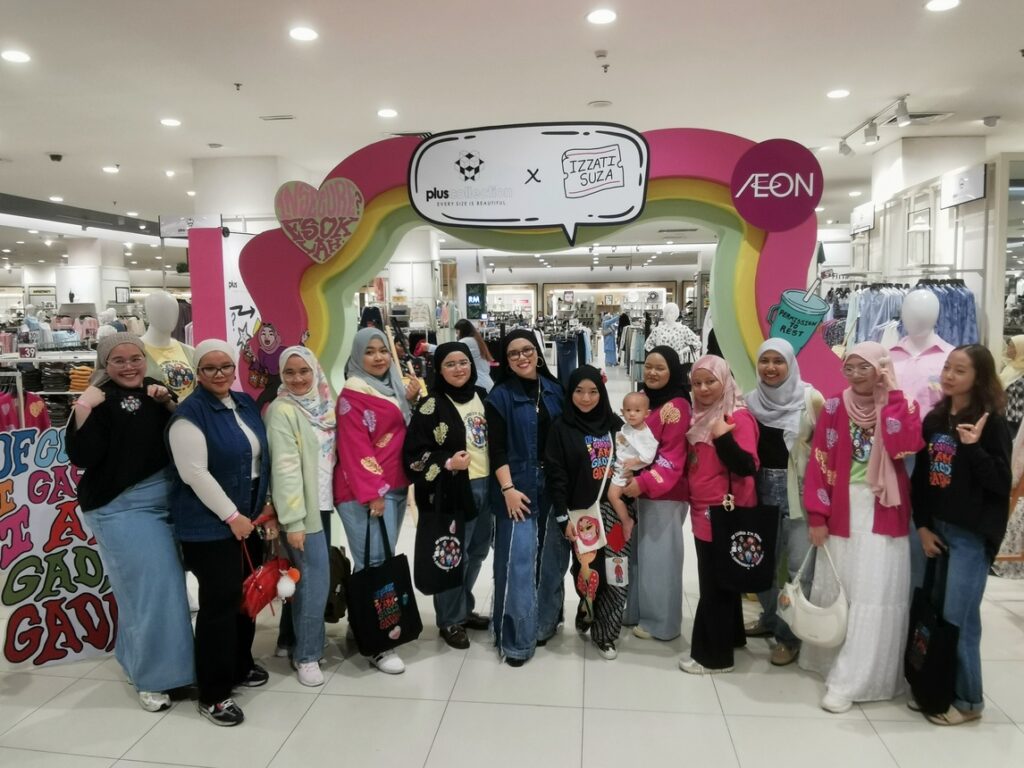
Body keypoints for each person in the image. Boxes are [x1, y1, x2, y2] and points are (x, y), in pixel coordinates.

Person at [65, 333, 193, 713]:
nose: (128, 366)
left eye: (135, 358)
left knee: (143, 591)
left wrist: (169, 402)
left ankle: (136, 659)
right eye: (118, 360)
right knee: (156, 589)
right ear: (105, 364)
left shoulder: (155, 389)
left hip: (168, 501)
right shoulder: (97, 397)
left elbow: (185, 435)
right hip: (121, 507)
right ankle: (155, 678)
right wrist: (83, 408)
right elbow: (82, 456)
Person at [800, 342, 924, 714]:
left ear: (881, 368)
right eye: (849, 368)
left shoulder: (903, 405)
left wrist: (893, 396)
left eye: (864, 367)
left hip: (883, 509)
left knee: (875, 594)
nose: (855, 375)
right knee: (843, 589)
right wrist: (817, 516)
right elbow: (819, 460)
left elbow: (906, 445)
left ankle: (856, 678)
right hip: (842, 508)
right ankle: (831, 662)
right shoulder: (834, 406)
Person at [168, 339, 276, 727]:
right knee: (220, 603)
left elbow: (261, 459)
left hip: (249, 517)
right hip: (209, 524)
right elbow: (194, 473)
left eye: (226, 366)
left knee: (247, 595)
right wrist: (232, 516)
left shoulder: (244, 403)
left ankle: (238, 664)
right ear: (197, 373)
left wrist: (265, 507)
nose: (219, 374)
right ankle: (213, 693)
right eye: (209, 368)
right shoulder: (189, 415)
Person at [911, 345, 1011, 725]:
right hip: (938, 529)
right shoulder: (935, 419)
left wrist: (973, 449)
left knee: (960, 618)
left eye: (960, 370)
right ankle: (936, 687)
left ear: (979, 377)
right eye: (947, 367)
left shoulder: (991, 423)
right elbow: (922, 480)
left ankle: (969, 702)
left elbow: (1000, 483)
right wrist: (922, 526)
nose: (950, 375)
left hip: (971, 536)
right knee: (937, 613)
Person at [334, 327, 420, 674]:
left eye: (383, 350)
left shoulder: (392, 386)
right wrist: (372, 494)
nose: (379, 357)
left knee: (375, 561)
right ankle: (380, 644)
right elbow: (354, 448)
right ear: (357, 356)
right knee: (374, 562)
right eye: (369, 352)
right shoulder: (352, 395)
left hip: (394, 487)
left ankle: (363, 625)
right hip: (364, 493)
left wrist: (410, 401)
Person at [403, 342, 493, 649]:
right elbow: (414, 455)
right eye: (450, 364)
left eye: (463, 362)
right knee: (454, 556)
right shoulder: (431, 405)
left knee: (478, 552)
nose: (458, 369)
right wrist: (448, 462)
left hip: (487, 486)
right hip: (454, 490)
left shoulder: (482, 396)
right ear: (439, 370)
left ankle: (463, 608)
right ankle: (450, 619)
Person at [485, 329, 565, 666]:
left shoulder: (555, 390)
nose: (522, 357)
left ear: (538, 352)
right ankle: (516, 640)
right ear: (506, 359)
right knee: (517, 562)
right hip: (516, 486)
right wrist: (507, 489)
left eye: (527, 350)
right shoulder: (500, 397)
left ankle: (545, 623)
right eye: (514, 353)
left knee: (550, 559)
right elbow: (496, 449)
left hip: (553, 487)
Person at [743, 338, 824, 667]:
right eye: (765, 361)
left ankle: (789, 638)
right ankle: (771, 618)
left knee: (797, 570)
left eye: (778, 361)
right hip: (760, 491)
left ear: (790, 364)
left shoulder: (811, 399)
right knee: (759, 564)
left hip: (800, 492)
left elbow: (825, 452)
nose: (771, 367)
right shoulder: (751, 401)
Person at [678, 355, 760, 674]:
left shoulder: (737, 417)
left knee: (714, 584)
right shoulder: (699, 415)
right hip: (705, 508)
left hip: (726, 510)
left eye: (710, 381)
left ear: (725, 381)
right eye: (697, 383)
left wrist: (723, 436)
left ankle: (713, 657)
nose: (702, 389)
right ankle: (732, 637)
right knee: (723, 579)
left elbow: (748, 465)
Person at [545, 365, 630, 659]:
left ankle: (606, 634)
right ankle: (588, 607)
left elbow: (634, 460)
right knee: (589, 575)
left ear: (602, 393)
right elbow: (556, 475)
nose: (586, 398)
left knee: (616, 575)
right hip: (583, 516)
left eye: (593, 391)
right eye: (579, 391)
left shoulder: (616, 425)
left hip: (615, 513)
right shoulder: (560, 429)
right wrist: (561, 516)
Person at [263, 346, 336, 687]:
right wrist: (293, 522)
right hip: (302, 510)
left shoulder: (324, 405)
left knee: (303, 576)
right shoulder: (282, 410)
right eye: (289, 372)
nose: (297, 378)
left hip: (322, 504)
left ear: (315, 370)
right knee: (314, 583)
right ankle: (307, 655)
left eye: (304, 370)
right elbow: (285, 470)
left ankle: (288, 640)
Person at [620, 346, 692, 641]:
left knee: (661, 559)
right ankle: (636, 611)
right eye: (648, 366)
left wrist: (645, 482)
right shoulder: (645, 400)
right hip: (638, 490)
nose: (652, 372)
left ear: (672, 371)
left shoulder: (676, 407)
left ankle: (662, 623)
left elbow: (673, 456)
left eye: (660, 368)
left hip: (665, 493)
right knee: (639, 556)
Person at [607, 391, 658, 542]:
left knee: (612, 495)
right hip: (619, 466)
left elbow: (649, 455)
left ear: (647, 413)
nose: (632, 414)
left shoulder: (645, 434)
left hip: (625, 470)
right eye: (628, 410)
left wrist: (635, 461)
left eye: (637, 410)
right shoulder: (627, 427)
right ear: (622, 411)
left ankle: (626, 521)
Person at [999, 335, 1024, 434]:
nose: (1008, 349)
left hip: (1019, 421)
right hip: (1008, 416)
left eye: (1011, 346)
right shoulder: (1011, 367)